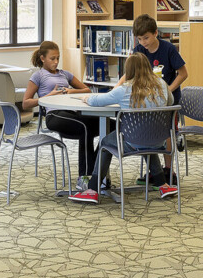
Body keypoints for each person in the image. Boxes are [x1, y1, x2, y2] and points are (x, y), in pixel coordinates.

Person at [69, 53, 173, 204]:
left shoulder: (123, 90)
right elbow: (171, 101)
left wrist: (86, 98)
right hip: (158, 141)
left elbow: (98, 101)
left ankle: (92, 190)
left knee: (105, 143)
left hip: (132, 142)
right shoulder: (162, 85)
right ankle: (163, 185)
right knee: (147, 137)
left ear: (128, 70)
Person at [22, 40, 96, 185]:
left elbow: (87, 90)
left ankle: (97, 172)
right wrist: (50, 96)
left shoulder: (65, 74)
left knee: (107, 125)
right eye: (52, 59)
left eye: (58, 58)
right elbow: (26, 103)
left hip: (73, 113)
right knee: (86, 128)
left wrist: (70, 91)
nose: (56, 62)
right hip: (54, 115)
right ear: (43, 58)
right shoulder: (38, 76)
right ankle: (85, 179)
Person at [131, 15, 186, 191]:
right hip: (148, 100)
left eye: (146, 37)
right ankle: (155, 171)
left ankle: (169, 170)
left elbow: (183, 74)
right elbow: (131, 72)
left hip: (168, 100)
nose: (143, 42)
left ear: (156, 33)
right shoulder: (139, 50)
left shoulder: (168, 49)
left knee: (166, 132)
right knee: (147, 131)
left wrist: (167, 90)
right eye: (139, 39)